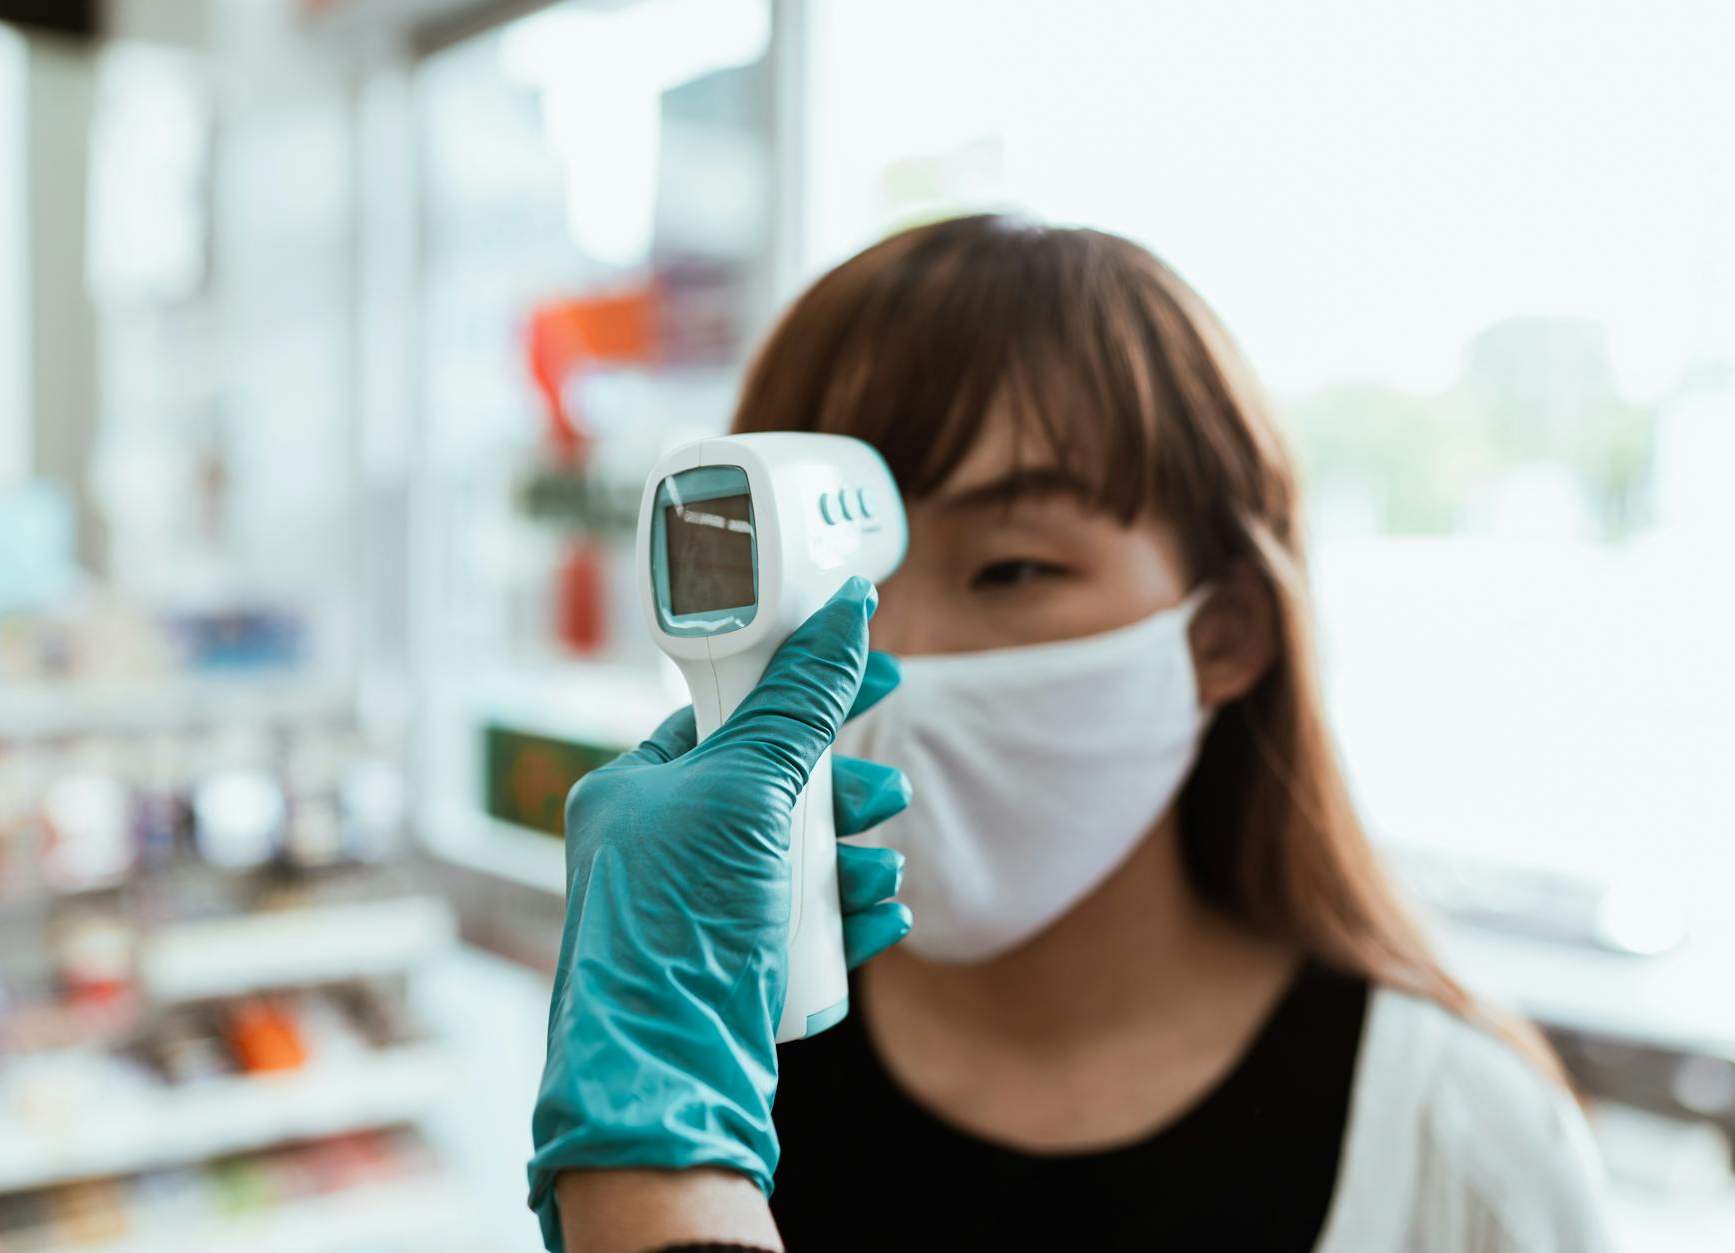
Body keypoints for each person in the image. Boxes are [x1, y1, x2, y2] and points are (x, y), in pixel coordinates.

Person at [527, 216, 1611, 1252]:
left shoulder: (1454, 1145)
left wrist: (647, 1168)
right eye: (832, 581)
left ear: (1223, 630)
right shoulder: (731, 1063)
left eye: (1011, 568)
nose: (884, 651)